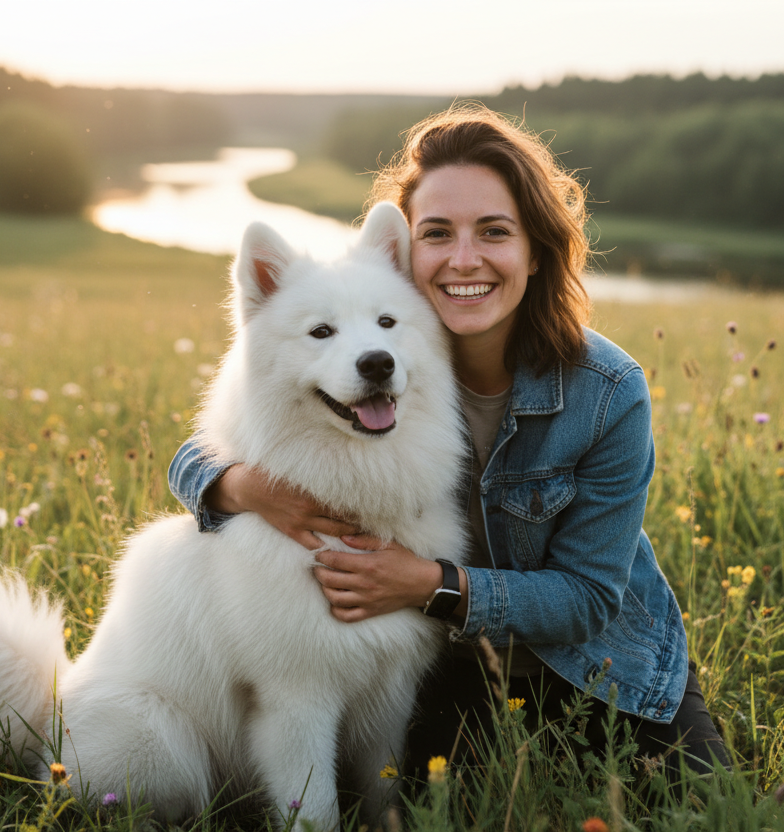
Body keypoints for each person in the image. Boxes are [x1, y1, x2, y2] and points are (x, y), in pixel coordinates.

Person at [168, 104, 729, 782]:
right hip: (451, 666)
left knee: (703, 799)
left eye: (494, 232)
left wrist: (432, 585)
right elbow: (224, 436)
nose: (465, 259)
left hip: (599, 662)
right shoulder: (380, 368)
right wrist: (242, 485)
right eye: (437, 234)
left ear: (535, 249)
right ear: (409, 257)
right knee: (429, 796)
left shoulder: (606, 392)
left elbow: (589, 600)